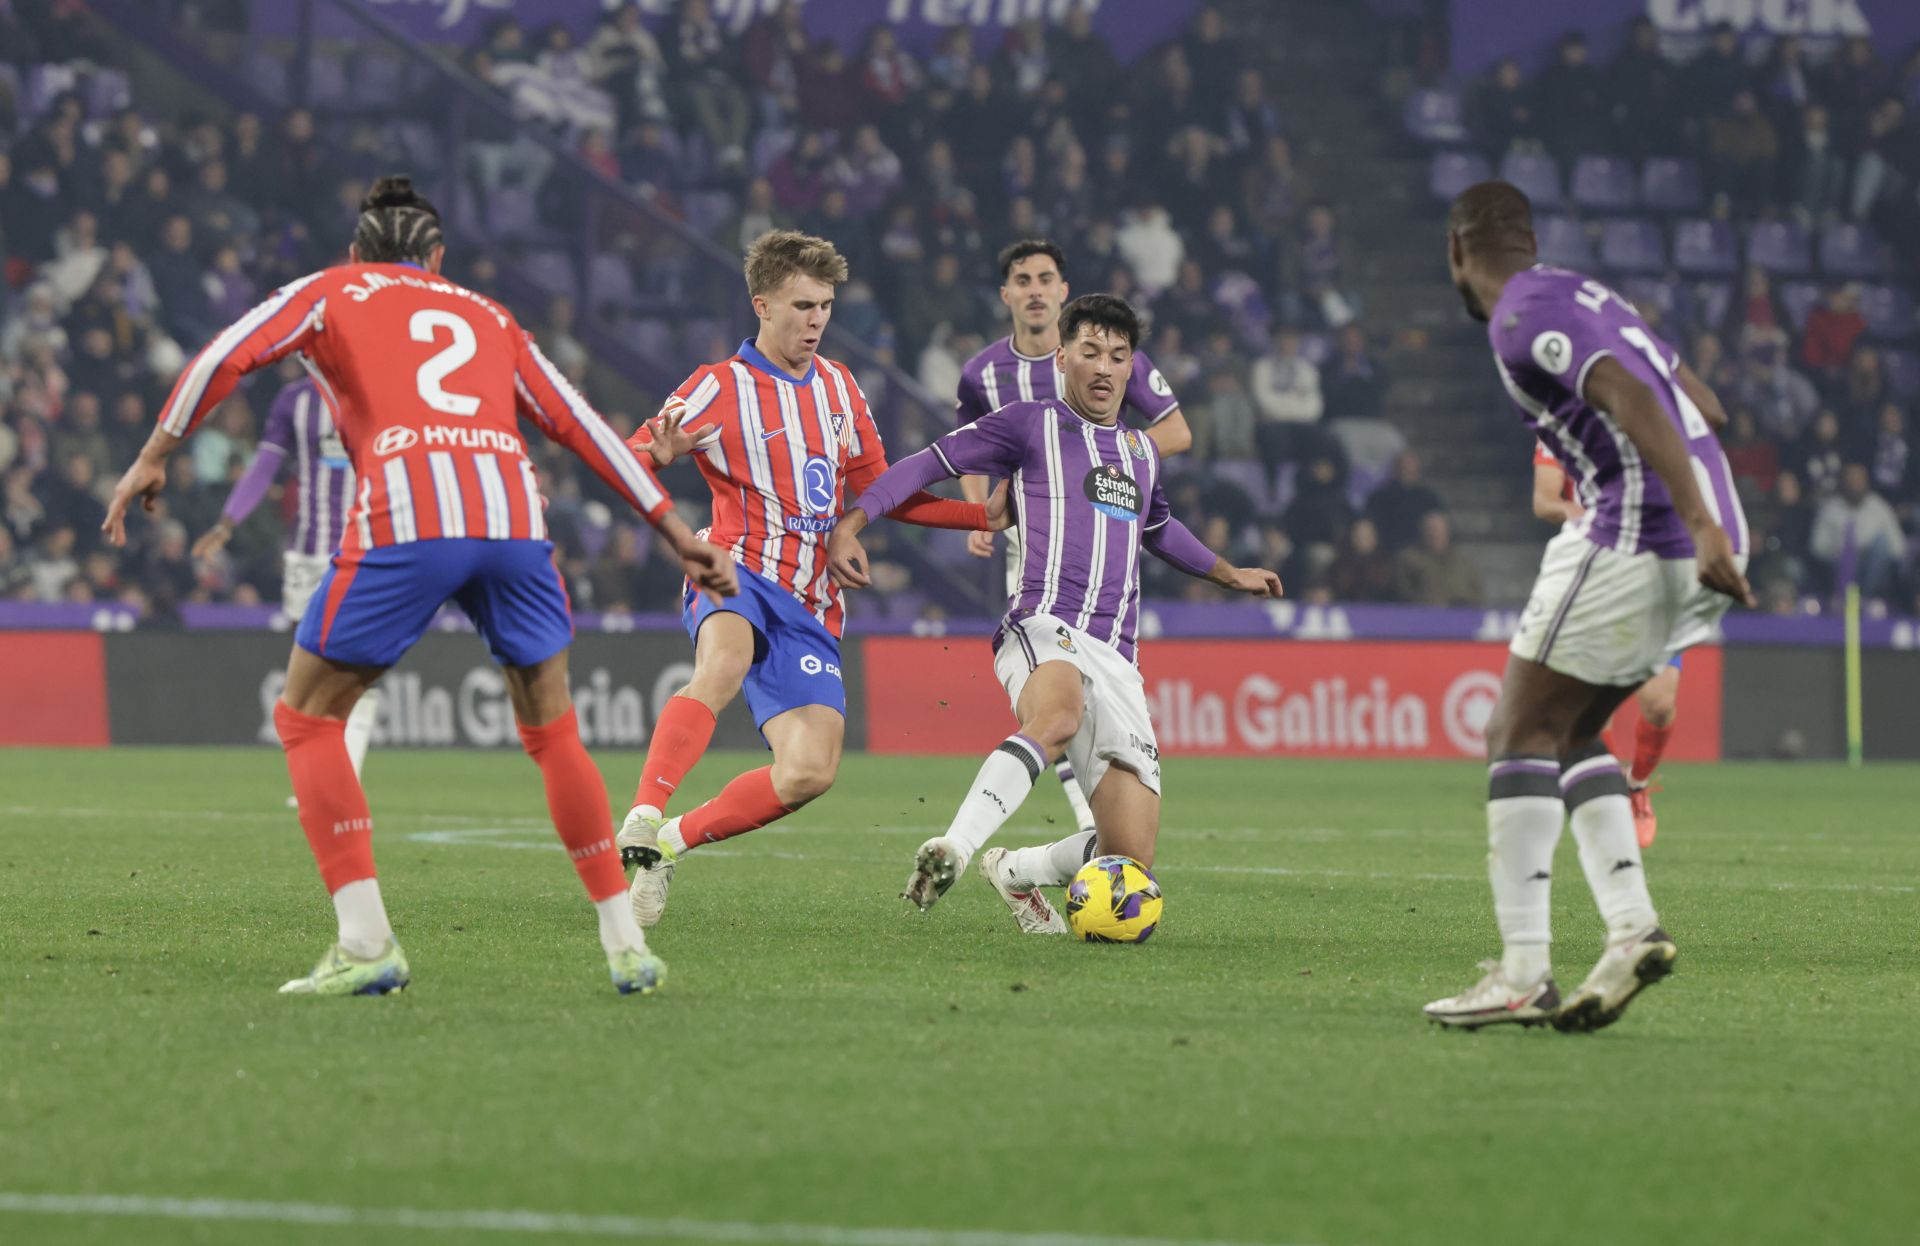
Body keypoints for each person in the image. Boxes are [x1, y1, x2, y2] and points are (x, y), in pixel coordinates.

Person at [100, 176, 738, 998]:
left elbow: (226, 355)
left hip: (408, 509)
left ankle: (366, 943)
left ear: (358, 251)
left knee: (306, 717)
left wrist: (156, 451)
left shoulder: (330, 291)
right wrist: (675, 530)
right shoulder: (488, 314)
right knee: (552, 732)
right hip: (512, 517)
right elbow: (577, 424)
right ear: (438, 260)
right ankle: (625, 946)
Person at [828, 294, 1281, 927]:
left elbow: (1161, 529)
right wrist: (853, 522)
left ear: (1131, 368)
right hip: (1044, 624)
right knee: (1059, 716)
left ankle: (1015, 872)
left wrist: (1230, 573)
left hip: (1118, 655)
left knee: (1130, 858)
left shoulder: (1142, 454)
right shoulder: (1026, 423)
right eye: (1091, 352)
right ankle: (954, 849)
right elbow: (924, 466)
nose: (1104, 367)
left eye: (1118, 356)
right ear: (1063, 356)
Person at [1425, 182, 1751, 1034]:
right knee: (1571, 732)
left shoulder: (1518, 314)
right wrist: (1713, 522)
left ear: (1459, 252)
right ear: (1528, 239)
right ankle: (1630, 928)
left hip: (1644, 530)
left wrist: (1695, 522)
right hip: (1704, 531)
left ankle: (1524, 971)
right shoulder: (1585, 294)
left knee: (1515, 732)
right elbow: (1706, 407)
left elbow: (1634, 400)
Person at [612, 230, 1002, 929]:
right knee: (724, 661)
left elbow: (884, 493)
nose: (816, 319)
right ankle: (643, 814)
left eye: (824, 305)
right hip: (735, 564)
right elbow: (639, 448)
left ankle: (668, 844)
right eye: (801, 305)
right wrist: (657, 453)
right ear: (762, 305)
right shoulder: (719, 385)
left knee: (808, 774)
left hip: (811, 600)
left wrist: (980, 513)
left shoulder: (841, 389)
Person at [952, 239, 1192, 846]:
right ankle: (1084, 813)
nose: (1035, 289)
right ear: (1007, 295)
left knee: (1085, 672)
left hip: (1095, 520)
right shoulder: (981, 372)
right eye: (1023, 280)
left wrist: (1106, 462)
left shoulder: (1104, 357)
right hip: (1026, 539)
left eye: (1046, 279)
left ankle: (1096, 809)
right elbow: (970, 445)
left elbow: (1176, 430)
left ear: (1063, 292)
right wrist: (978, 512)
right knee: (1054, 681)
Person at [193, 374, 382, 801]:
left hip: (365, 551)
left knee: (358, 668)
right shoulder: (293, 400)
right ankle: (318, 777)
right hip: (307, 555)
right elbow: (264, 465)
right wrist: (227, 522)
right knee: (308, 673)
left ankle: (341, 778)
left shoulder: (374, 389)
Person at [1532, 441, 1680, 847]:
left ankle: (1637, 786)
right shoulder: (1557, 427)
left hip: (1655, 567)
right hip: (1594, 572)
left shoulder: (1644, 412)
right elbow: (1544, 499)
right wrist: (1579, 515)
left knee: (1660, 702)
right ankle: (1613, 794)